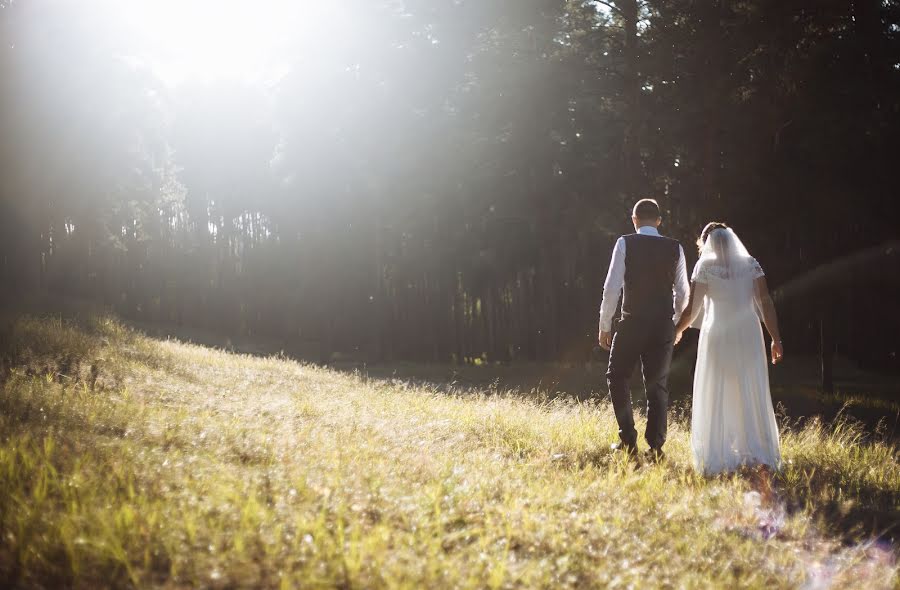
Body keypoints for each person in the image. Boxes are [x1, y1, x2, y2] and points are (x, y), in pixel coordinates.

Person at [674, 222, 783, 475]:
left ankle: (720, 451)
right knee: (748, 386)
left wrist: (676, 330)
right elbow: (765, 302)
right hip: (748, 332)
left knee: (718, 386)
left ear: (706, 242)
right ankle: (756, 450)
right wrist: (776, 338)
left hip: (719, 333)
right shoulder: (750, 264)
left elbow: (693, 309)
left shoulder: (705, 266)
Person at [598, 199, 690, 461]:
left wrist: (605, 324)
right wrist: (674, 323)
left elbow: (612, 287)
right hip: (662, 325)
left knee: (617, 376)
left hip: (632, 321)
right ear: (659, 221)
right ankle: (656, 446)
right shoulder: (676, 247)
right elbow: (683, 292)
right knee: (657, 385)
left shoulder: (625, 242)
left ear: (634, 219)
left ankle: (627, 438)